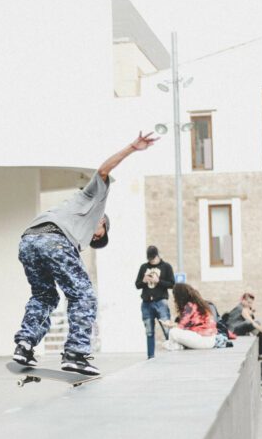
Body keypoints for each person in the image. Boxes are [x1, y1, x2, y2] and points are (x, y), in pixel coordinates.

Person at [12, 132, 159, 375]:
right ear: (102, 223)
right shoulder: (95, 199)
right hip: (54, 240)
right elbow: (103, 170)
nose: (94, 238)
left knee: (44, 296)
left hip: (28, 240)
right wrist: (132, 147)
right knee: (84, 295)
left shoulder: (67, 211)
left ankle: (25, 345)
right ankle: (76, 353)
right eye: (98, 235)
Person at [135, 245, 175, 359]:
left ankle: (173, 354)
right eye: (149, 259)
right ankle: (150, 356)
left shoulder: (166, 267)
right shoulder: (144, 267)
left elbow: (172, 284)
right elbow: (137, 285)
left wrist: (159, 281)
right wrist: (143, 281)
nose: (151, 261)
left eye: (152, 259)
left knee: (167, 330)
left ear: (157, 256)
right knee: (149, 331)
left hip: (161, 302)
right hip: (146, 303)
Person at [161, 283, 228, 350]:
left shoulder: (190, 306)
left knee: (173, 332)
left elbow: (181, 326)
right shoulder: (199, 304)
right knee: (170, 339)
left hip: (204, 340)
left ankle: (175, 345)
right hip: (210, 339)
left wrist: (169, 325)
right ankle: (176, 346)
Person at [222, 292, 262, 357]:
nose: (249, 305)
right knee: (253, 323)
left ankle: (261, 354)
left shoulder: (241, 308)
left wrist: (251, 312)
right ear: (243, 300)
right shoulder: (242, 309)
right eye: (248, 302)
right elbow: (251, 322)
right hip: (233, 331)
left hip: (236, 329)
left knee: (261, 334)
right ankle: (261, 353)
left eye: (251, 303)